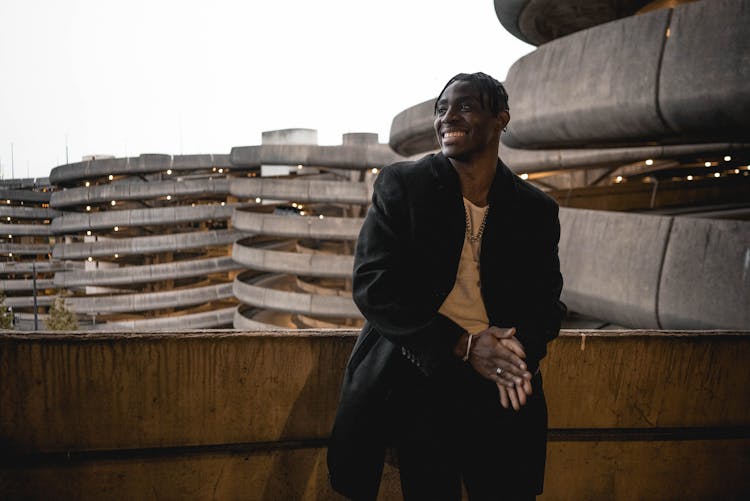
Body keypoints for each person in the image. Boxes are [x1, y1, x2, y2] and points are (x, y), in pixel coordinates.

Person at [328, 72, 566, 500]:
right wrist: (467, 346)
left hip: (501, 389)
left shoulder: (536, 209)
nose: (448, 118)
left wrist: (512, 358)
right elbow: (374, 286)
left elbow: (546, 303)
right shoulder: (404, 185)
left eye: (466, 106)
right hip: (423, 376)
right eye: (442, 109)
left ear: (501, 119)